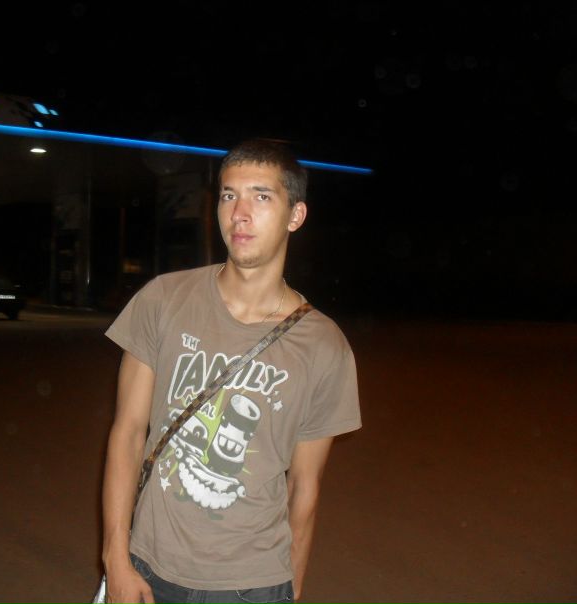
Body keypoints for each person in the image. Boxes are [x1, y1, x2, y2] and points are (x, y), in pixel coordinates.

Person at [101, 139, 361, 603]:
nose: (239, 213)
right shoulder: (163, 300)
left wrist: (292, 587)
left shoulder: (324, 346)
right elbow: (127, 433)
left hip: (253, 583)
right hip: (148, 567)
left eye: (261, 196)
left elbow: (305, 485)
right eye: (228, 195)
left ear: (295, 215)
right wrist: (115, 558)